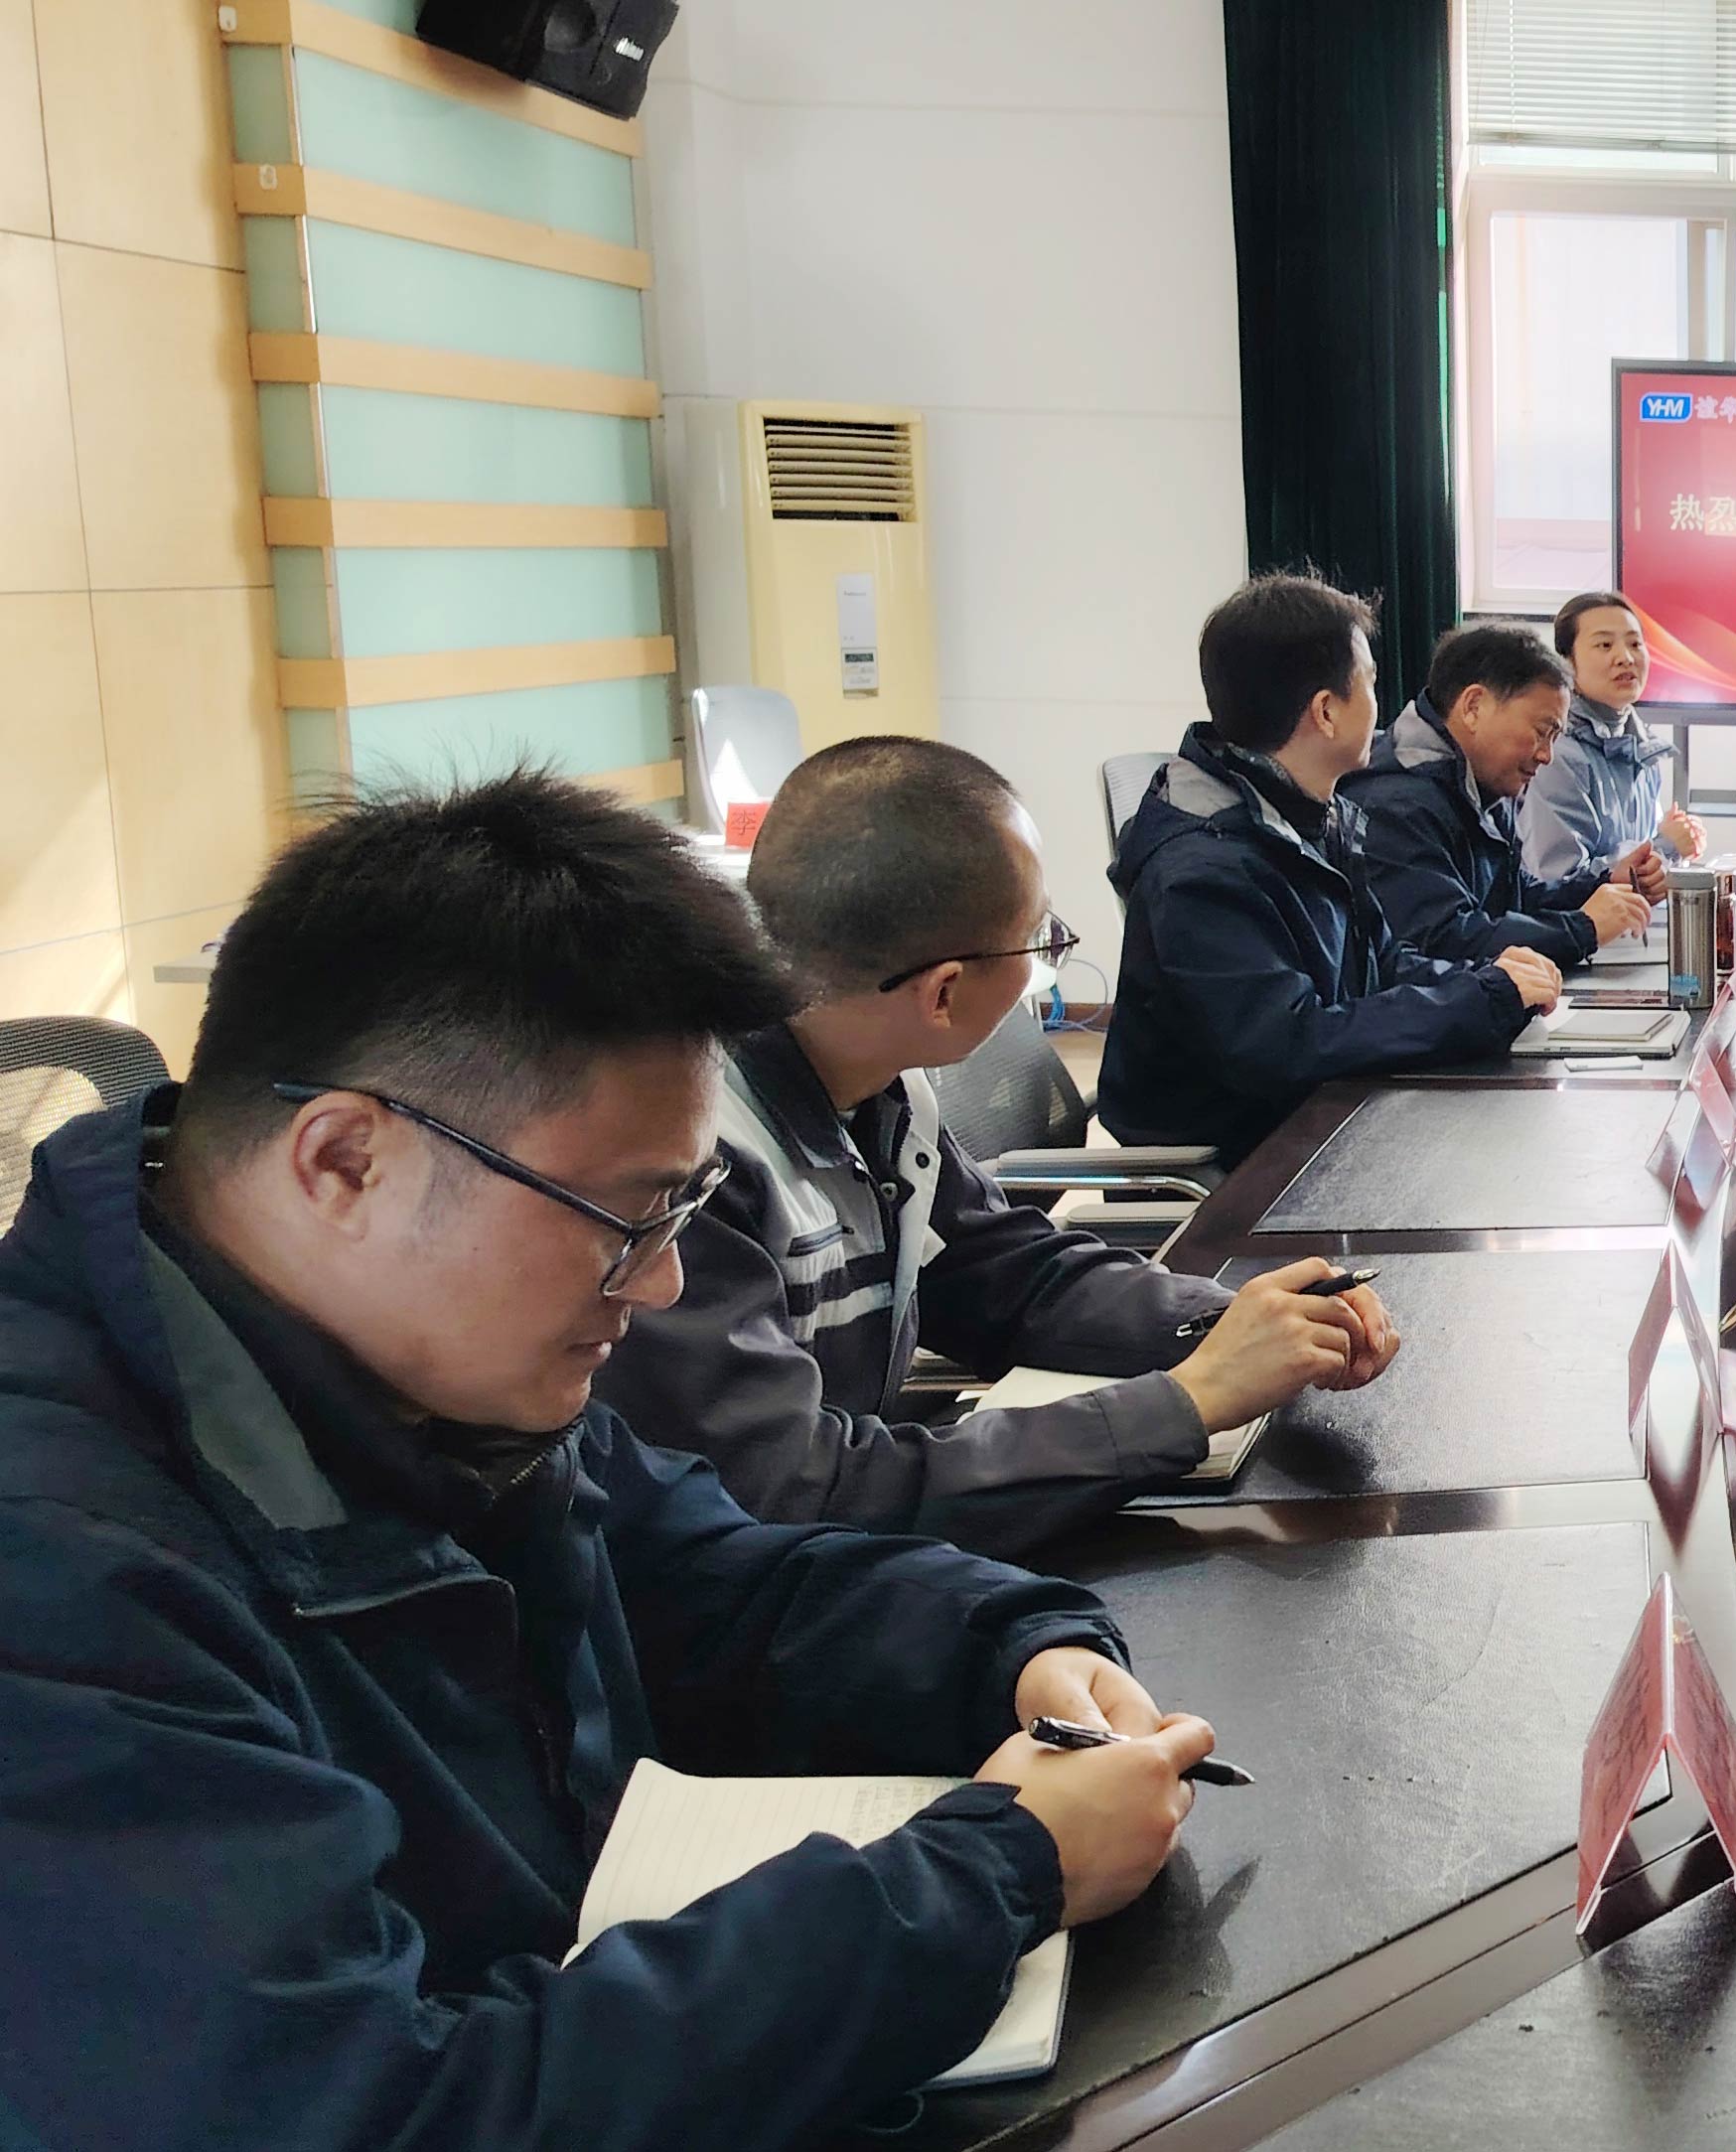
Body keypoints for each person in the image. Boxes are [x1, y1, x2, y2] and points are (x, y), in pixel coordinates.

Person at [0, 776, 1226, 2150]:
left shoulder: (413, 1362)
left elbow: (712, 1576)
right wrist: (993, 1871)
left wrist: (1010, 1647)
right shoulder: (59, 1580)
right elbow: (375, 2113)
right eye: (627, 1217)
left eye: (685, 1206)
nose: (663, 1283)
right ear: (344, 1161)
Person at [596, 736, 1404, 1558]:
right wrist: (1188, 1403)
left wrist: (1237, 1323)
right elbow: (802, 1489)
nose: (1047, 955)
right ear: (943, 992)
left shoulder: (879, 1087)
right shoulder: (685, 1168)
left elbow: (1006, 1274)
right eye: (1040, 939)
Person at [1102, 575, 1559, 1163]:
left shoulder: (1317, 818)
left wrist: (1483, 979)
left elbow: (1381, 964)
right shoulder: (1203, 869)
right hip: (1243, 1168)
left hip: (1322, 1123)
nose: (1380, 702)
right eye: (1368, 681)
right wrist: (1481, 1000)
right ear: (1326, 712)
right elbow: (1290, 1044)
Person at [1351, 622, 1665, 967]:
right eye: (1541, 733)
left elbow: (1516, 898)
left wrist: (1605, 883)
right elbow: (1444, 939)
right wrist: (1583, 928)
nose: (1547, 756)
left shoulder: (1482, 785)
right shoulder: (1396, 805)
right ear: (1474, 707)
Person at [1520, 589, 1705, 881]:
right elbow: (1558, 882)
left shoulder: (1642, 748)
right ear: (1567, 663)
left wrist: (1672, 837)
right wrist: (1665, 847)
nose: (1625, 658)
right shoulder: (1556, 754)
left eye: (1635, 644)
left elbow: (1639, 861)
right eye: (1605, 645)